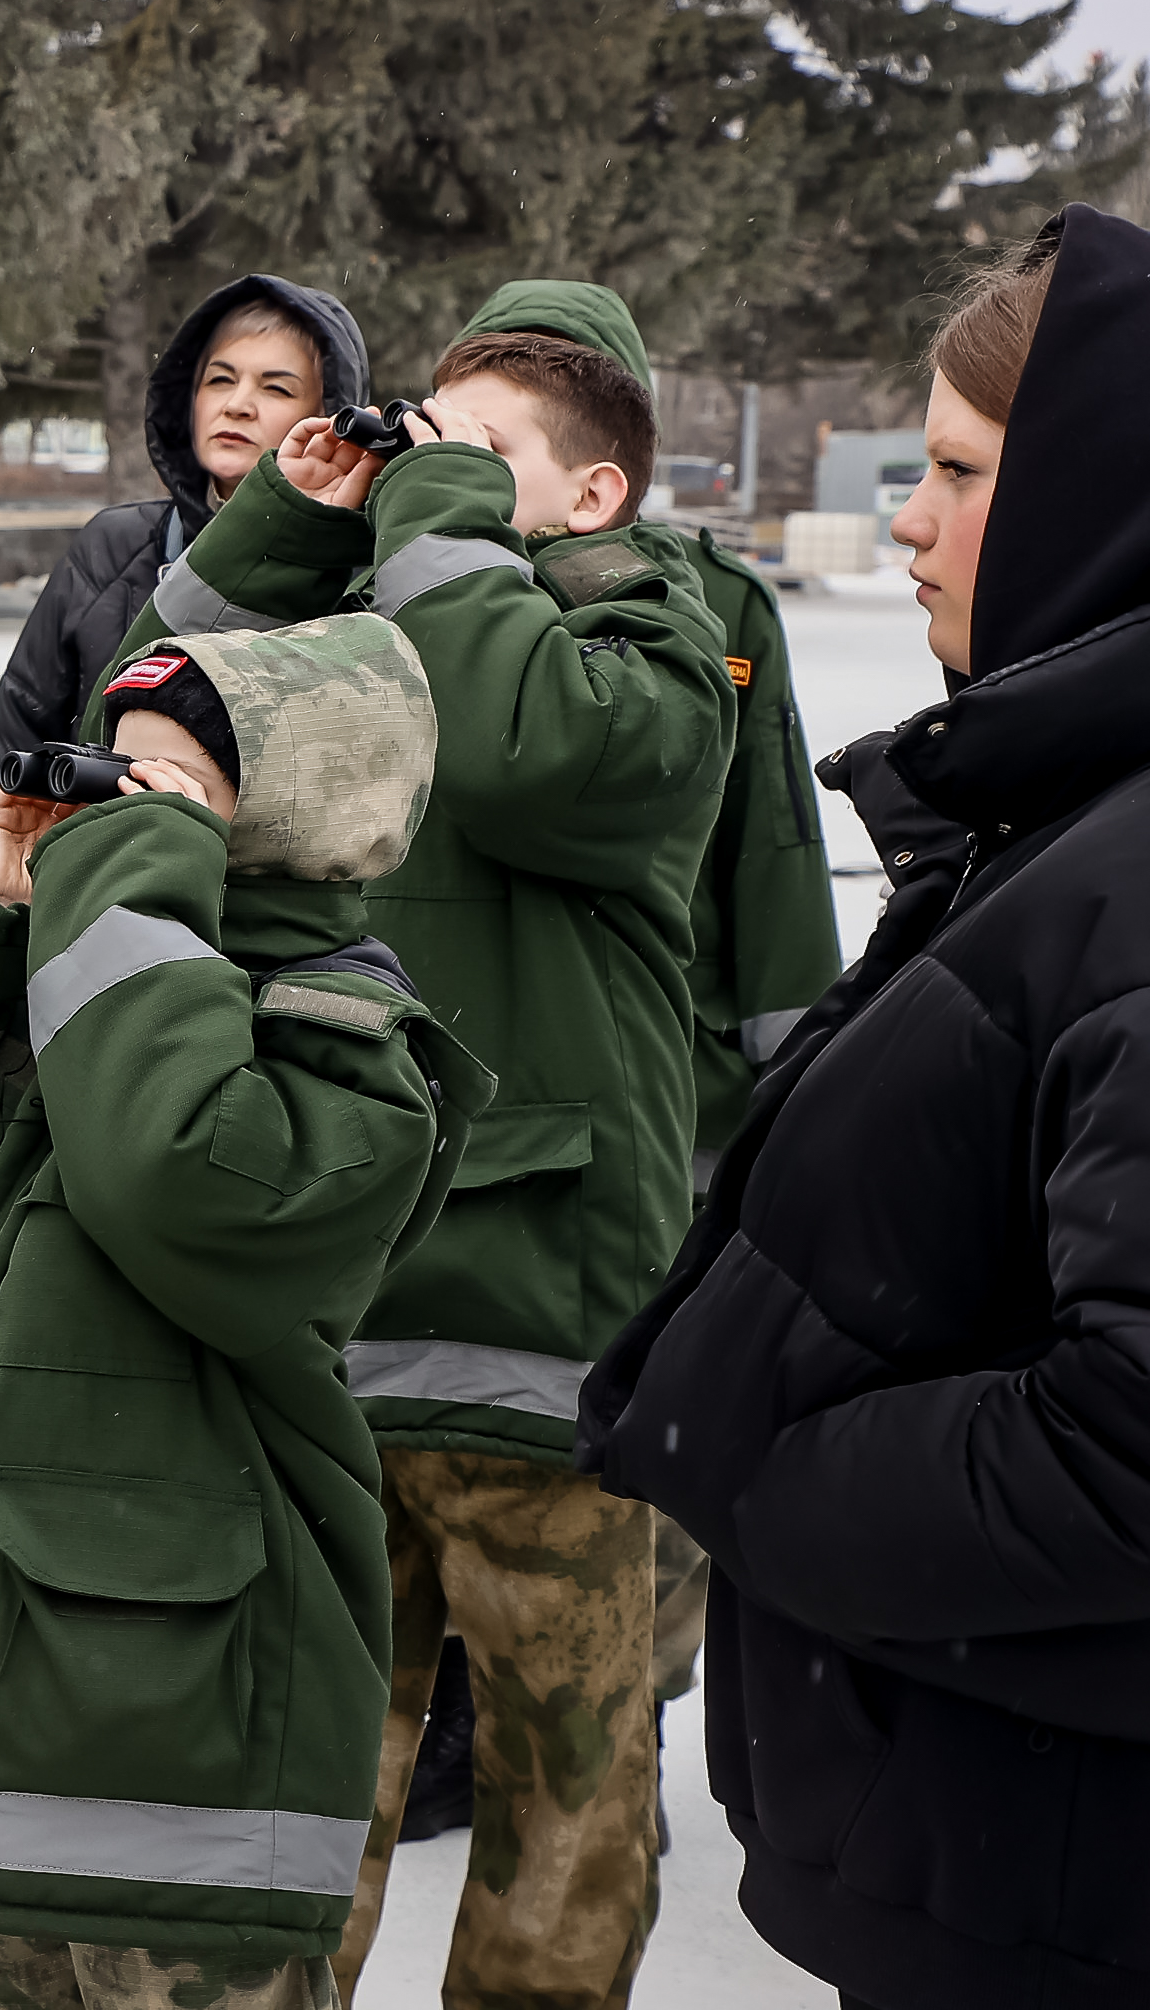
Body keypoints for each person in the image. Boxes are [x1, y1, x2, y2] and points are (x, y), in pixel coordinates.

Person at [82, 321, 731, 2009]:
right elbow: (171, 690)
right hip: (336, 1313)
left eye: (480, 455)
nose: (430, 483)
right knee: (298, 1793)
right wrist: (302, 515)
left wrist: (426, 509)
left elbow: (527, 745)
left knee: (562, 1804)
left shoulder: (653, 630)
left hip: (546, 1338)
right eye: (422, 447)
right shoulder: (386, 615)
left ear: (596, 493)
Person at [581, 205, 1150, 2010]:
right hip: (994, 1852)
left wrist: (766, 1477)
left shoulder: (1128, 879)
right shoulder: (1057, 825)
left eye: (958, 470)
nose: (904, 518)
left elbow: (1129, 1444)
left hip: (1051, 1898)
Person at [0, 617, 487, 2010]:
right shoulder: (86, 985)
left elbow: (182, 1180)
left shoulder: (347, 1044)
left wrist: (132, 897)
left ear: (290, 811)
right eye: (114, 767)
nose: (109, 807)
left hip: (183, 1749)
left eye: (161, 788)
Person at [454, 281, 844, 1738]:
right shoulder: (406, 589)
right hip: (483, 1081)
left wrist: (782, 1086)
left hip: (655, 1079)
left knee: (641, 1426)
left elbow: (771, 847)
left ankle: (644, 1683)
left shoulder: (708, 607)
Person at [0, 277, 369, 822]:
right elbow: (18, 739)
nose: (237, 404)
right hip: (87, 879)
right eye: (219, 379)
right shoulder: (113, 546)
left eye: (276, 388)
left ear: (329, 415)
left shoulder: (359, 577)